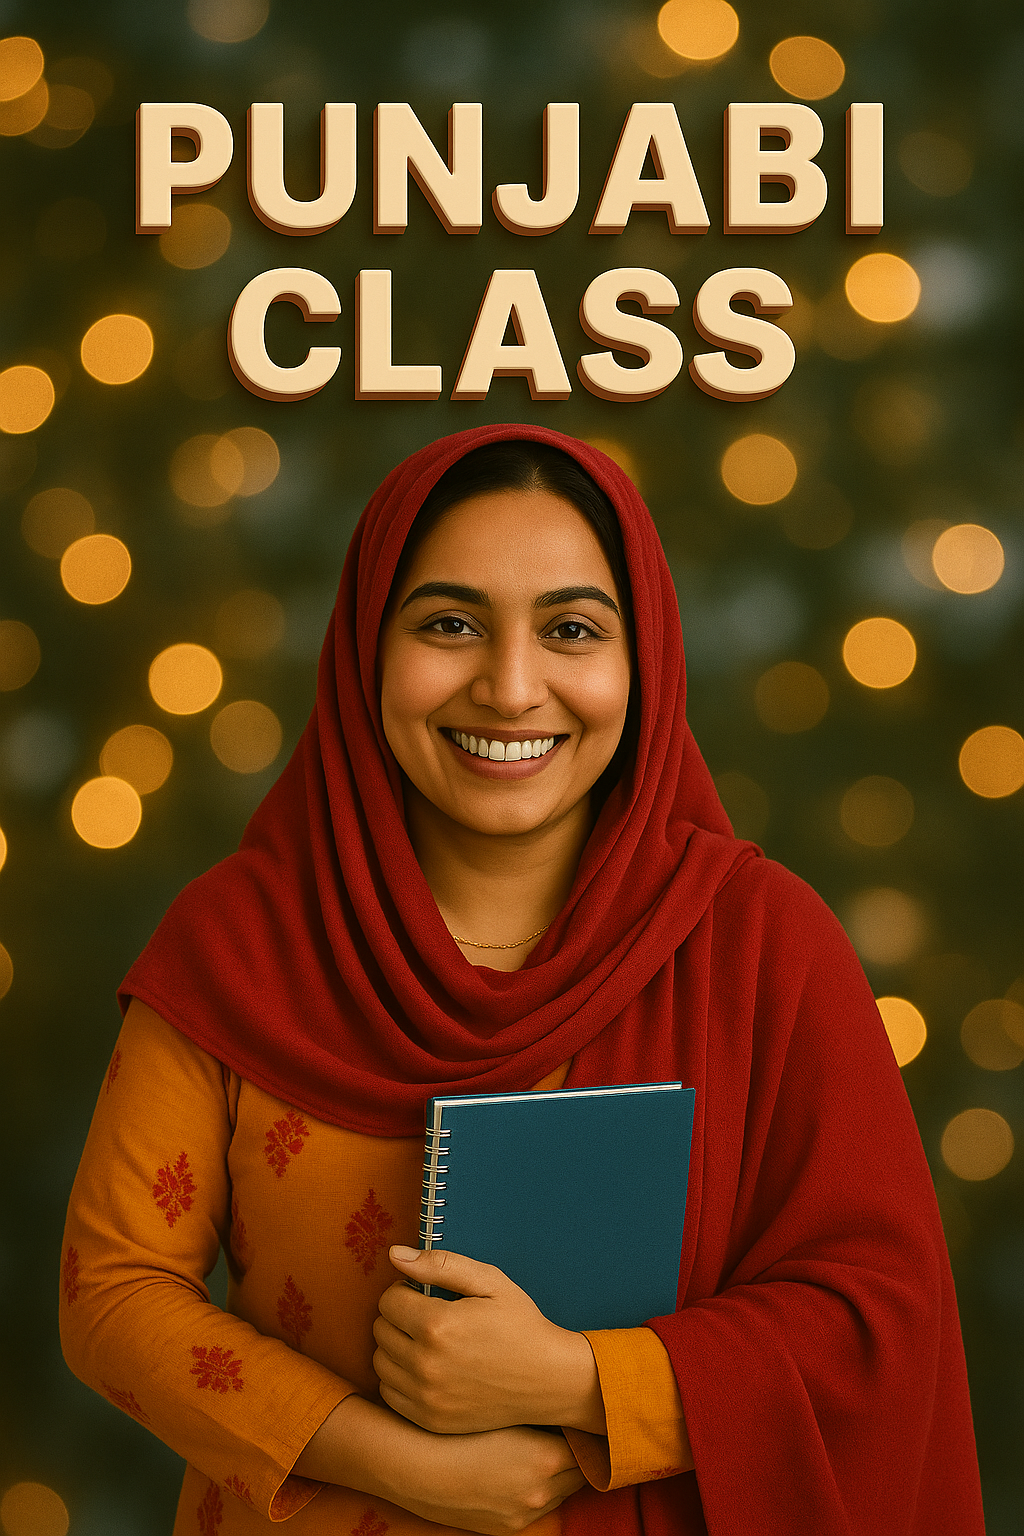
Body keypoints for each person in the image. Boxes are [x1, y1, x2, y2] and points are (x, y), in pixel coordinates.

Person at [60, 424, 985, 1536]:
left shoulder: (760, 943)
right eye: (449, 624)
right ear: (365, 648)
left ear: (642, 663)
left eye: (571, 630)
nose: (508, 687)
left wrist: (581, 1382)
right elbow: (111, 1295)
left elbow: (876, 1317)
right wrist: (389, 1460)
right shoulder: (236, 941)